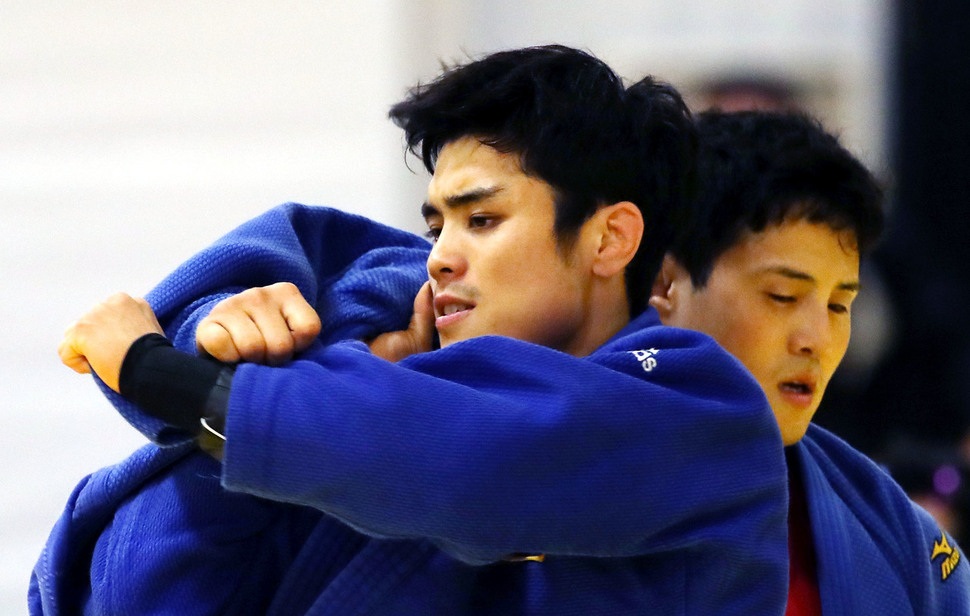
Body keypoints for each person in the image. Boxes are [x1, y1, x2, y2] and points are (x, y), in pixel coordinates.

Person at [32, 46, 789, 615]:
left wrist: (169, 377)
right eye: (436, 226)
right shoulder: (379, 445)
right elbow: (141, 594)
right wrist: (255, 363)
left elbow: (485, 454)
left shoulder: (700, 410)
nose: (441, 258)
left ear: (610, 239)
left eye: (482, 219)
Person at [648, 110, 970, 614]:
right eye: (782, 295)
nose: (817, 340)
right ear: (663, 284)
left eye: (840, 305)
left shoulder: (897, 530)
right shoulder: (541, 490)